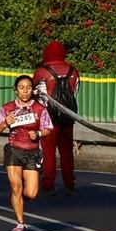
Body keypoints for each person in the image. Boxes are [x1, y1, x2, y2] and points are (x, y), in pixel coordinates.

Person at [0, 75, 52, 231]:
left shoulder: (40, 109)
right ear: (16, 90)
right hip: (13, 150)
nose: (25, 91)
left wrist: (38, 134)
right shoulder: (7, 108)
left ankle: (18, 199)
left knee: (32, 193)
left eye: (28, 88)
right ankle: (20, 223)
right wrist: (6, 123)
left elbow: (48, 128)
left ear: (32, 90)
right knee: (16, 187)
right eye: (21, 88)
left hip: (32, 153)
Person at [32, 40, 80, 196]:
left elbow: (37, 97)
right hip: (68, 116)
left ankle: (48, 184)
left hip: (48, 118)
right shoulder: (74, 71)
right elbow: (75, 92)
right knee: (66, 151)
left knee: (48, 151)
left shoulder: (41, 72)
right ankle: (69, 184)